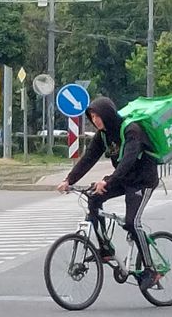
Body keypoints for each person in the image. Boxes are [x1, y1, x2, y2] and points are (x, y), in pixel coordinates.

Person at [57, 96, 160, 290]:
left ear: (108, 115)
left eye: (98, 116)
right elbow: (88, 159)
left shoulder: (131, 130)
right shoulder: (103, 135)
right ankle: (105, 248)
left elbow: (128, 160)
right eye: (92, 116)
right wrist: (69, 180)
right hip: (122, 179)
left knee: (132, 222)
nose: (95, 120)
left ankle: (151, 269)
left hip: (142, 181)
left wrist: (108, 180)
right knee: (94, 199)